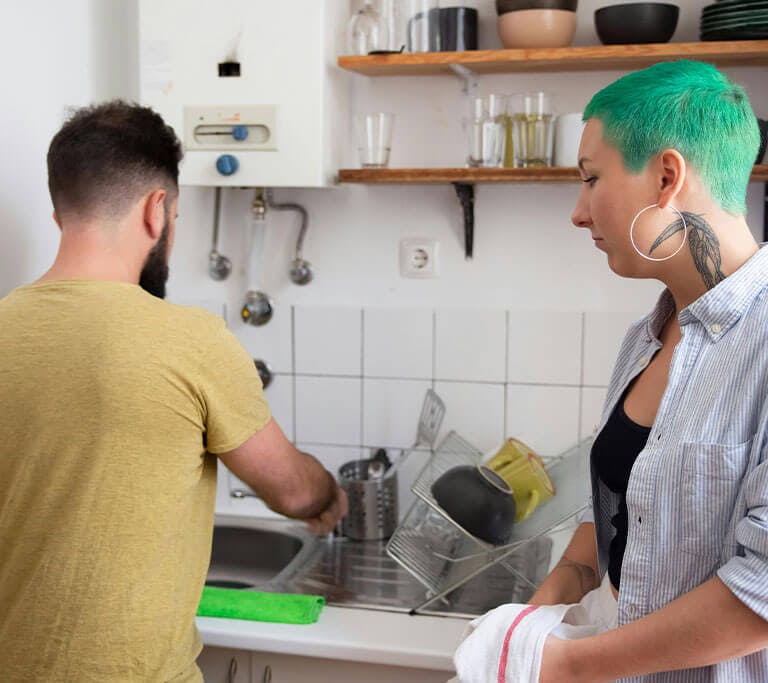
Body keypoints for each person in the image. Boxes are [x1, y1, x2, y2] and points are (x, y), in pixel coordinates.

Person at [0, 101, 347, 682]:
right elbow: (289, 490)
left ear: (61, 214)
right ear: (156, 211)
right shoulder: (190, 340)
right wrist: (328, 494)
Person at [524, 60, 768, 681]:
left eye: (591, 179)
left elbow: (761, 594)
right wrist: (541, 610)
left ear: (666, 176)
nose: (578, 213)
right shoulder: (646, 337)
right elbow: (618, 506)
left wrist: (565, 666)